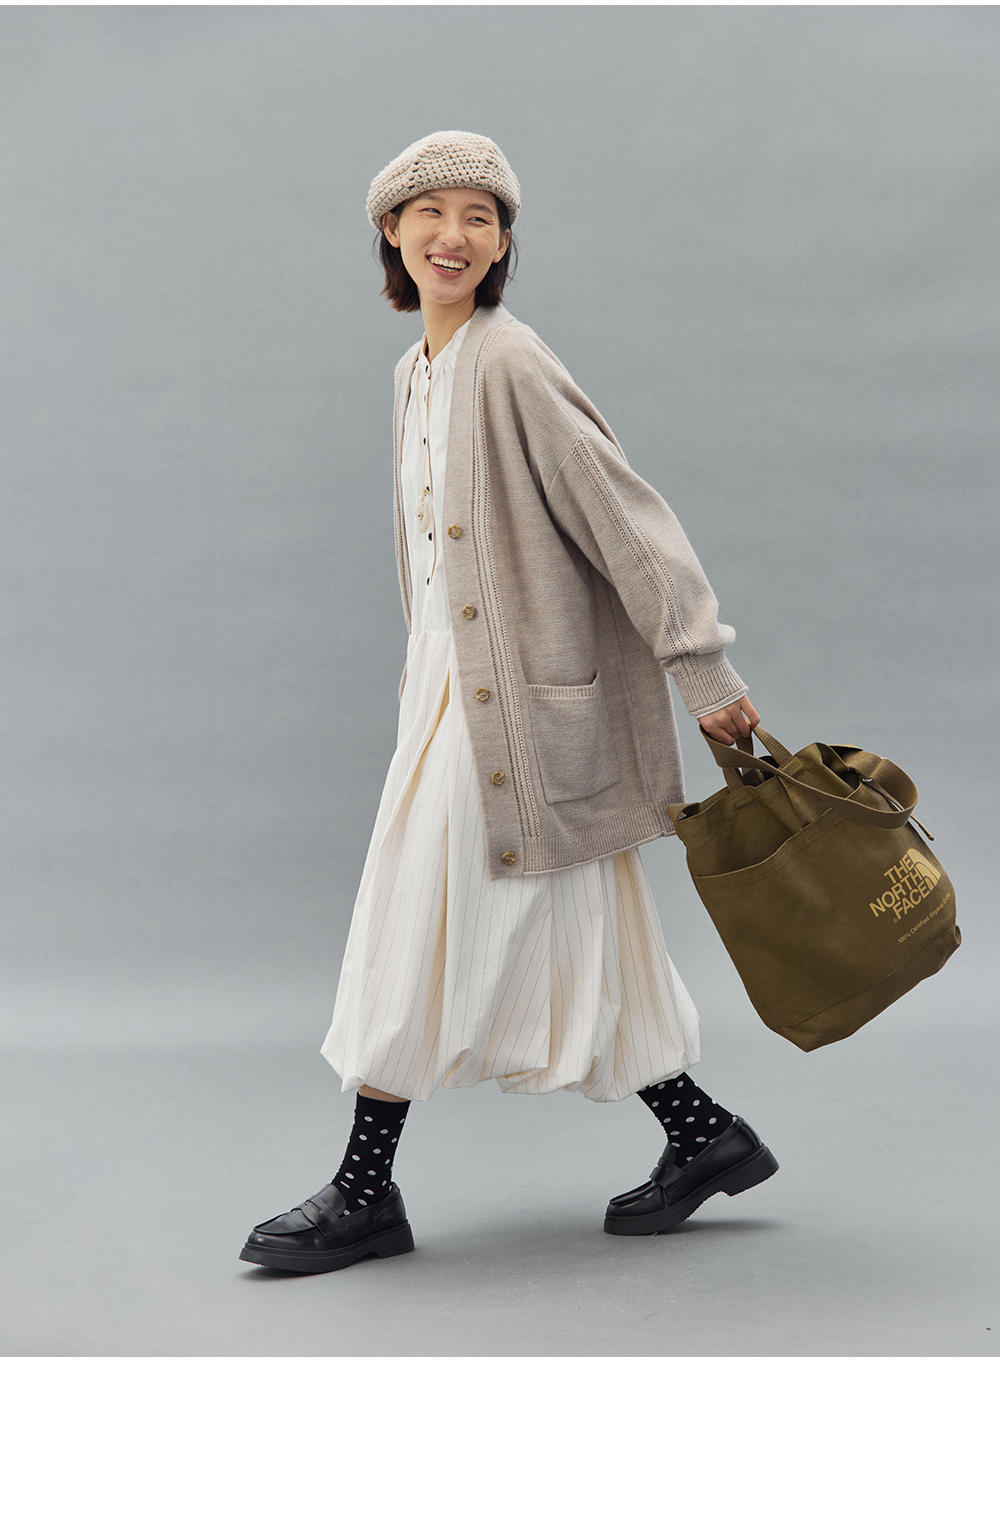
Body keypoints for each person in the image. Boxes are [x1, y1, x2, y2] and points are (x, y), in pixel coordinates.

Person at [240, 132, 777, 1275]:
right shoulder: (415, 374)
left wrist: (701, 667)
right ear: (390, 231)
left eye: (479, 216)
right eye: (429, 212)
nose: (453, 235)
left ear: (501, 243)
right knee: (585, 926)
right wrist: (420, 688)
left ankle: (364, 1190)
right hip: (448, 692)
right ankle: (703, 1134)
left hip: (517, 704)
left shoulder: (509, 362)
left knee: (408, 919)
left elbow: (626, 519)